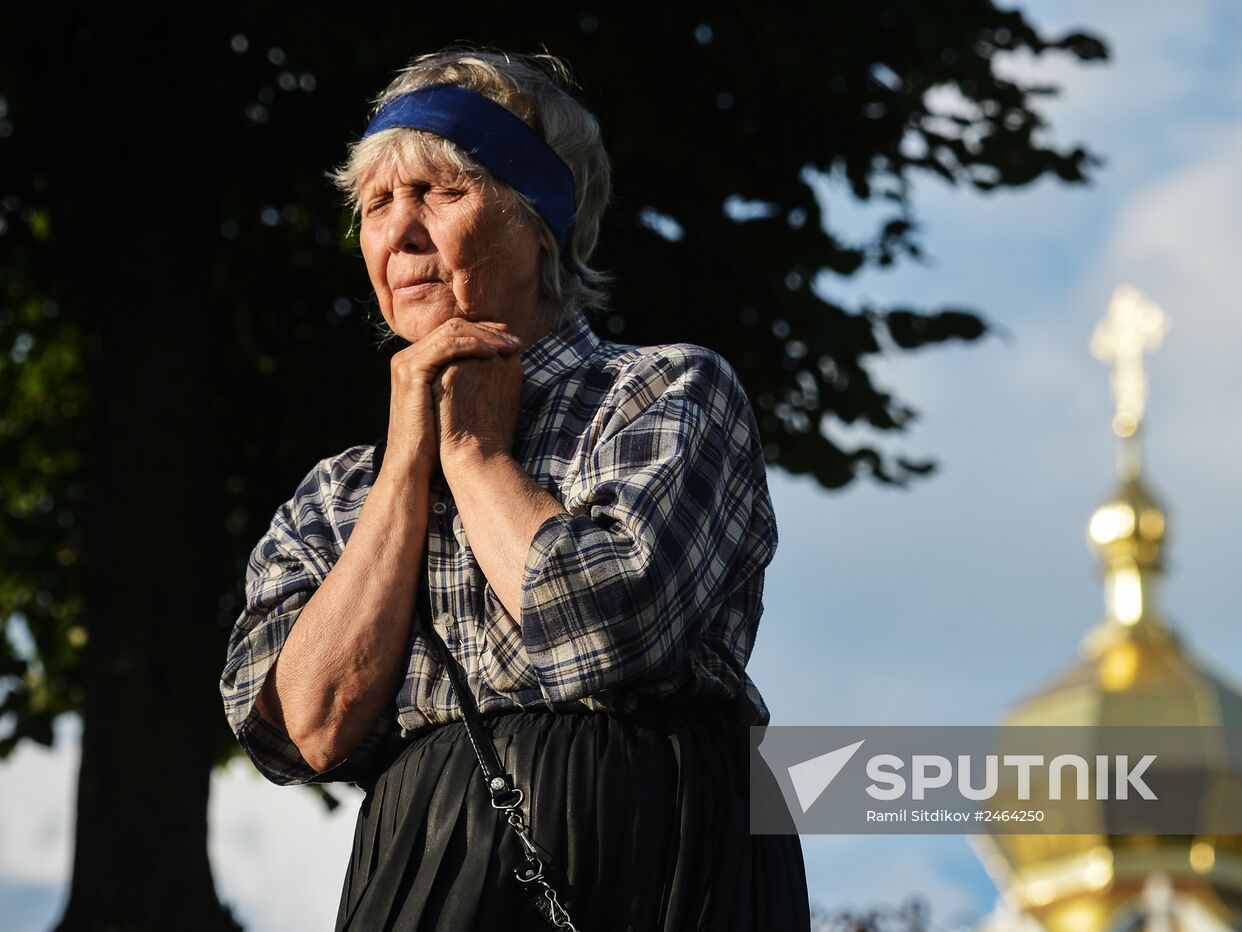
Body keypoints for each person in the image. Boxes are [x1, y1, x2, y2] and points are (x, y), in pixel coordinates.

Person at [219, 45, 810, 931]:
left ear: (541, 227)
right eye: (377, 205)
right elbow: (303, 727)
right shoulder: (335, 495)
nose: (399, 232)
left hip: (669, 852)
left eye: (441, 192)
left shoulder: (665, 392)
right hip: (426, 861)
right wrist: (408, 468)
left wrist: (472, 456)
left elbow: (612, 626)